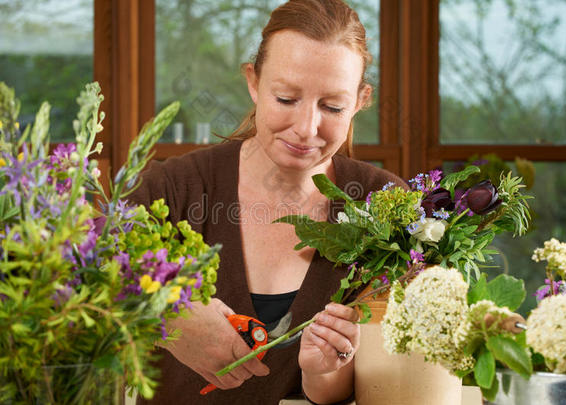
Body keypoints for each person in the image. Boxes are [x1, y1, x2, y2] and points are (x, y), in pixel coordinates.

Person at [131, 0, 405, 403]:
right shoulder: (175, 188)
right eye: (286, 98)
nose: (305, 127)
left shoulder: (389, 209)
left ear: (361, 100)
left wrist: (323, 374)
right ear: (254, 82)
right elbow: (78, 268)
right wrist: (166, 315)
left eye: (332, 106)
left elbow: (386, 377)